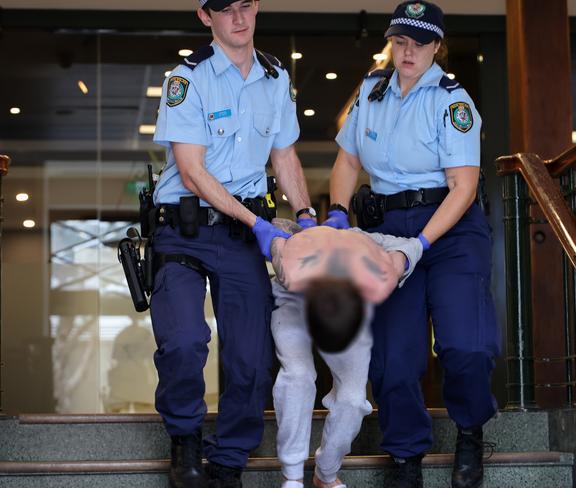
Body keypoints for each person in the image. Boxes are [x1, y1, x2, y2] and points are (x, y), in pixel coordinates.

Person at [325, 2, 500, 487]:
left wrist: (418, 245)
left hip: (449, 229)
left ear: (437, 47)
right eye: (400, 41)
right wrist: (338, 214)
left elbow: (464, 188)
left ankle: (470, 431)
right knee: (395, 358)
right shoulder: (371, 91)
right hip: (385, 229)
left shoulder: (453, 102)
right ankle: (405, 454)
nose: (407, 52)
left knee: (466, 345)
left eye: (419, 44)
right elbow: (346, 162)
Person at [150, 1, 316, 487]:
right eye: (225, 10)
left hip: (242, 234)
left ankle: (229, 461)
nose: (238, 18)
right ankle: (184, 439)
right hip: (183, 229)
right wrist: (258, 223)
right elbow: (192, 172)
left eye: (246, 5)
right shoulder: (187, 79)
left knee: (251, 356)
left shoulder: (274, 77)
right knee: (184, 341)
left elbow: (284, 156)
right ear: (205, 17)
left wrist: (305, 214)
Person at [267, 219, 424, 488]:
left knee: (353, 399)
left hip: (349, 298)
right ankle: (291, 475)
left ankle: (325, 475)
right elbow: (277, 230)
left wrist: (400, 261)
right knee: (299, 375)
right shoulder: (292, 262)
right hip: (293, 300)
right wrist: (285, 236)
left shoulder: (367, 253)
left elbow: (412, 244)